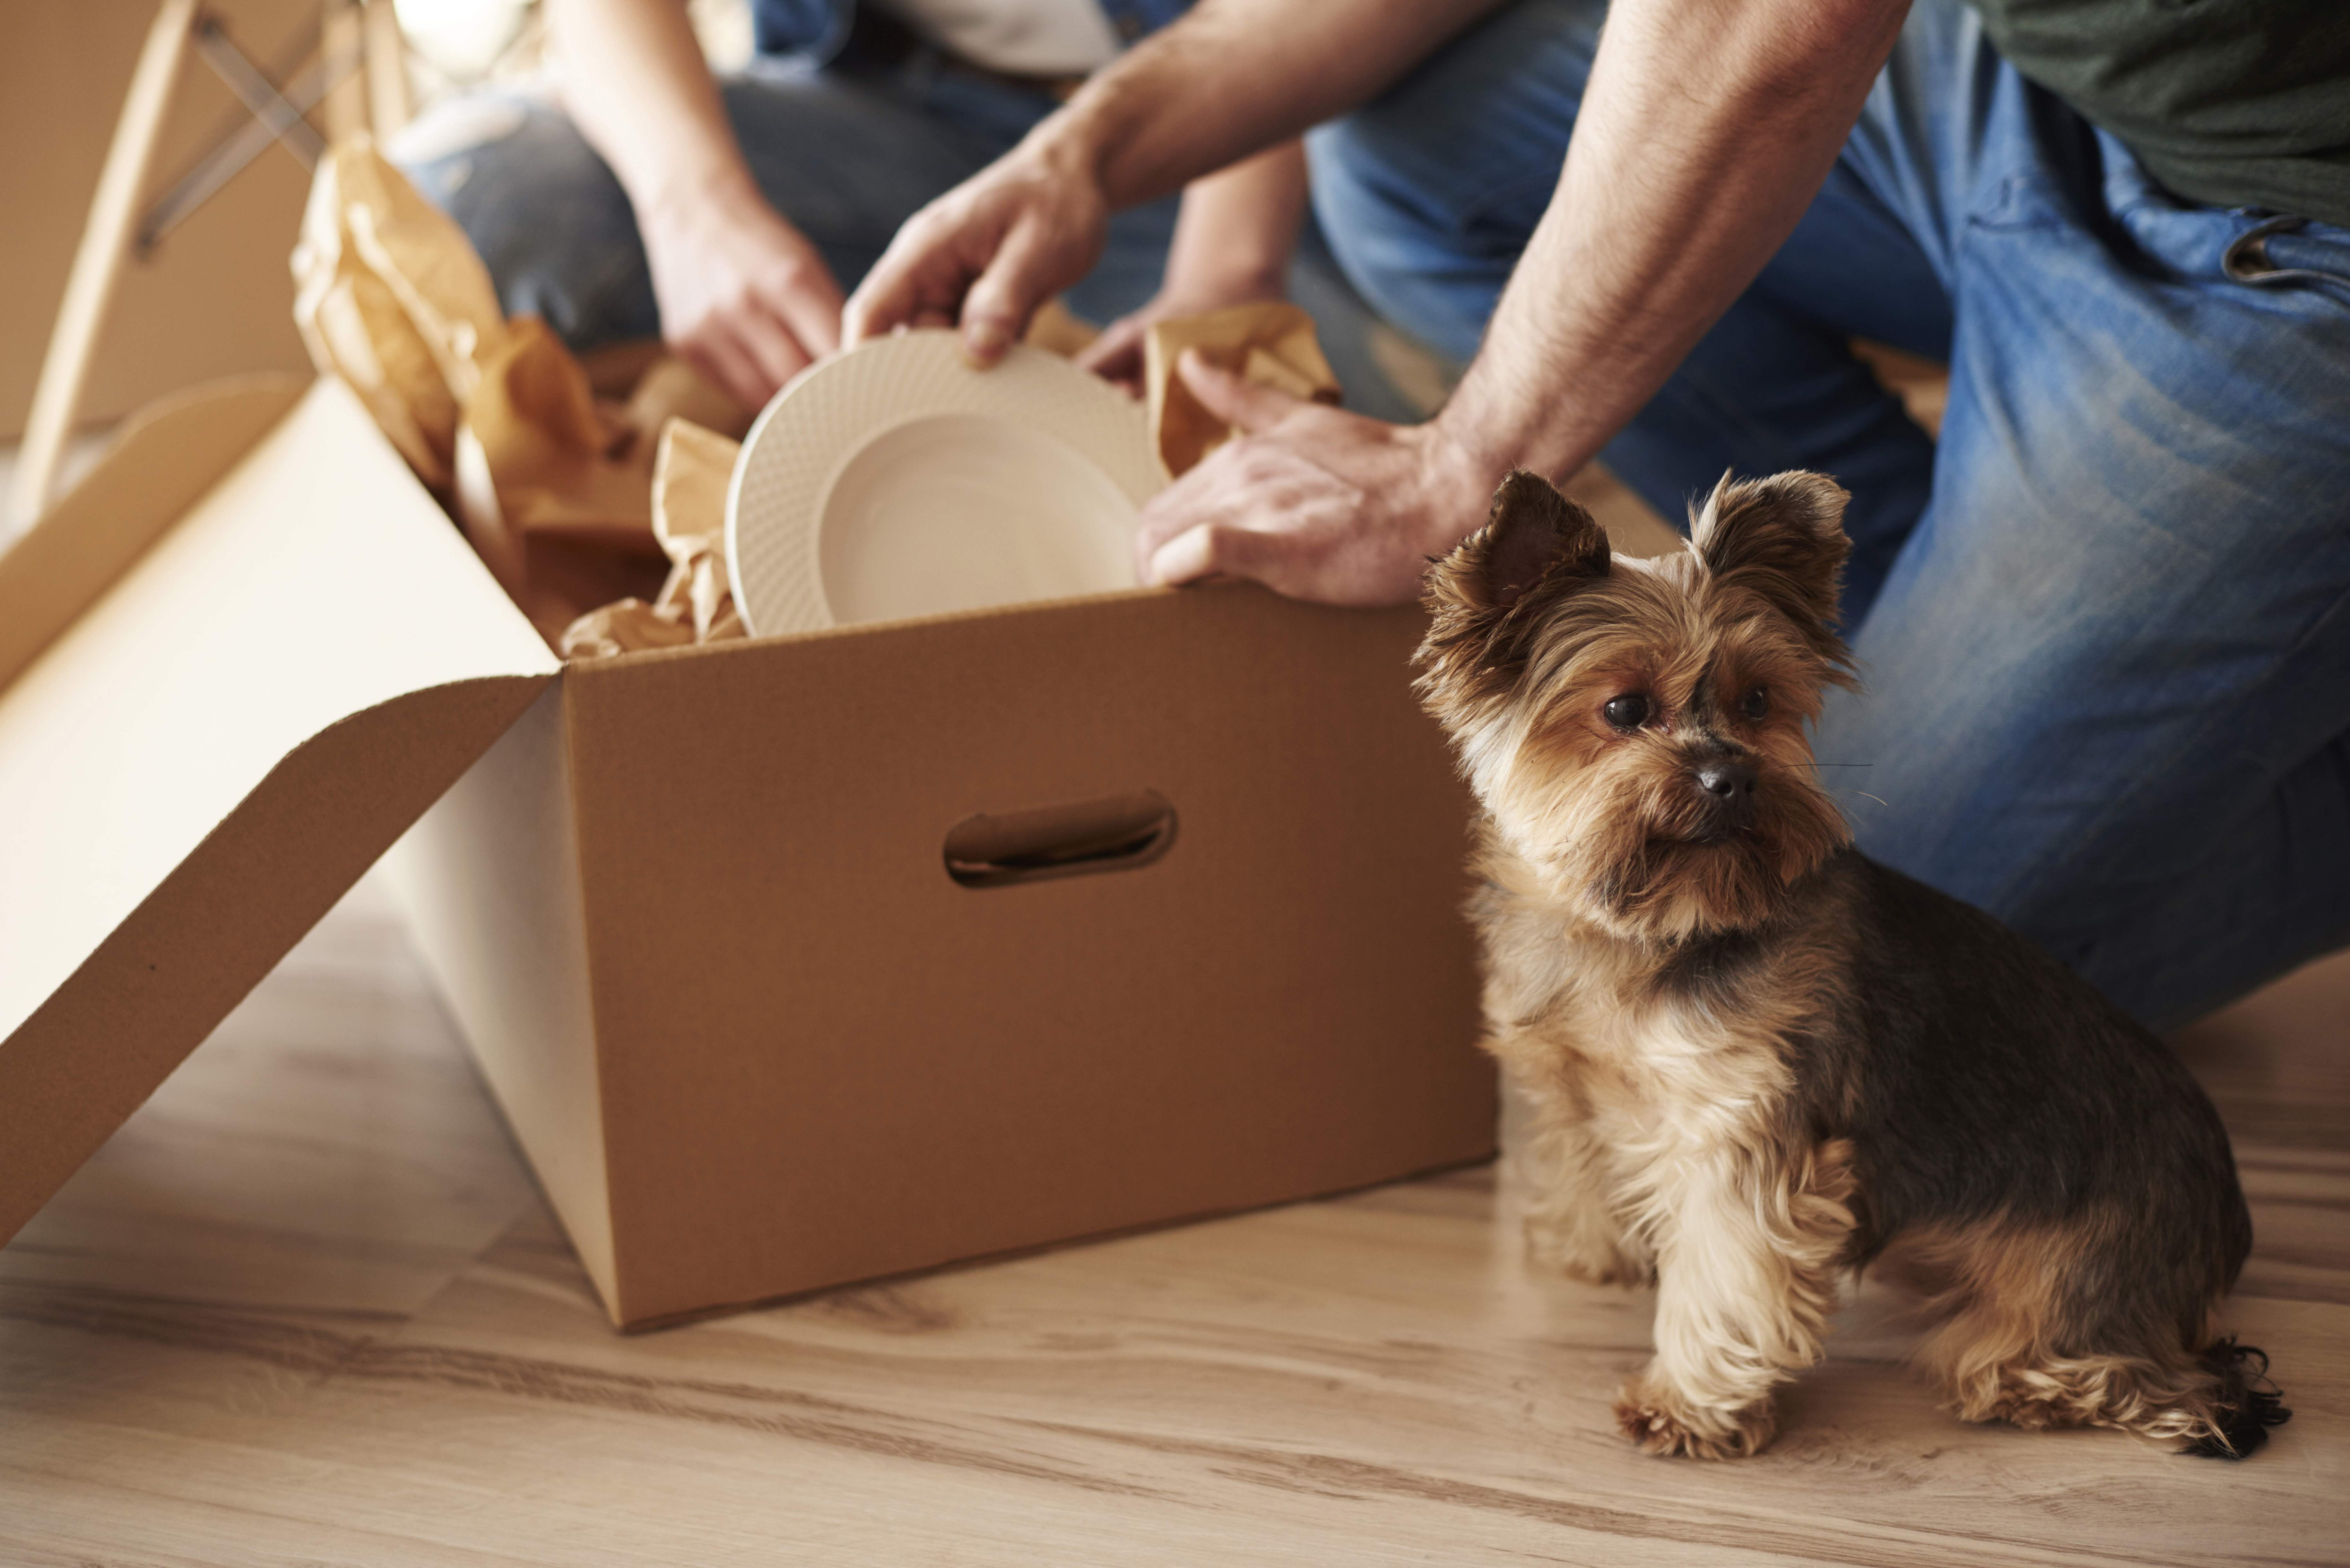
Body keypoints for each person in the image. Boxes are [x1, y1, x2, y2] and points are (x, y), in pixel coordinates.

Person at [843, 0, 2350, 1032]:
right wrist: (1087, 153)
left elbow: (1768, 22)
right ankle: (1947, 640)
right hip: (2031, 91)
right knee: (1413, 150)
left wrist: (1460, 462)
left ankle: (2220, 685)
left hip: (2309, 235)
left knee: (1792, 973)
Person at [388, 0, 1417, 417]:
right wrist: (695, 208)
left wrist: (1223, 282)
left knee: (1340, 449)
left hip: (1265, 124)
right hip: (903, 106)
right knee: (469, 204)